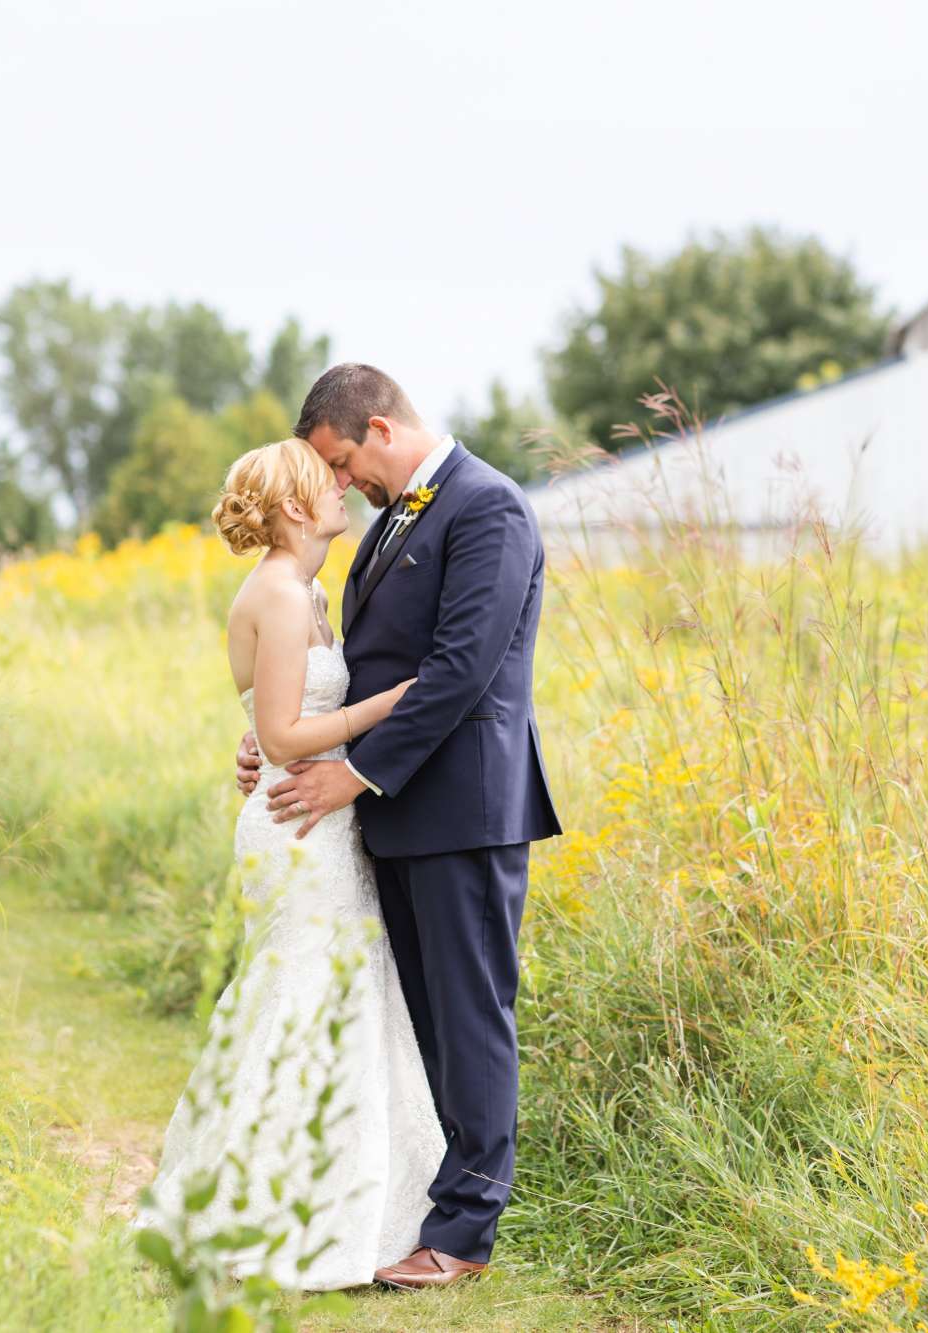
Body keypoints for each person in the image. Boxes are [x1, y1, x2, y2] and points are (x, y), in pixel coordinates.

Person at [237, 363, 562, 1289]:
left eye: (341, 463)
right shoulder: (392, 524)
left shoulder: (488, 506)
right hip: (395, 814)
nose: (339, 486)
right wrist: (278, 746)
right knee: (422, 1019)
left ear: (378, 429)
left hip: (464, 809)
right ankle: (421, 1201)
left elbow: (459, 670)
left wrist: (352, 773)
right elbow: (357, 669)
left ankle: (463, 1235)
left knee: (470, 1016)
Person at [137, 436, 443, 1291]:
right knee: (297, 993)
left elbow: (274, 721)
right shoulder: (274, 591)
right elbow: (279, 734)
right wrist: (389, 704)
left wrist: (289, 739)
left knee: (341, 995)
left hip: (323, 820)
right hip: (294, 832)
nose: (344, 486)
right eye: (327, 482)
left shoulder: (308, 590)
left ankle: (346, 1199)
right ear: (298, 508)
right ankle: (253, 1208)